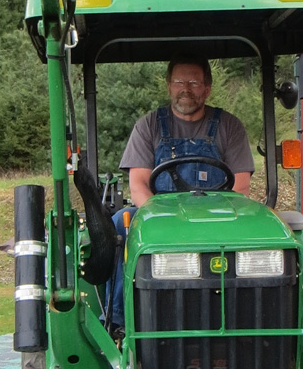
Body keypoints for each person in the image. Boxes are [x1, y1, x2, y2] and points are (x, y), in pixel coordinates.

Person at [106, 56, 254, 330]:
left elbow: (240, 187)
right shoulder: (148, 126)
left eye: (194, 82)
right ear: (168, 86)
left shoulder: (229, 126)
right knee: (119, 225)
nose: (186, 88)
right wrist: (161, 221)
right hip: (159, 217)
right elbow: (138, 183)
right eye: (179, 82)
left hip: (218, 219)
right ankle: (118, 321)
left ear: (207, 88)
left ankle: (250, 320)